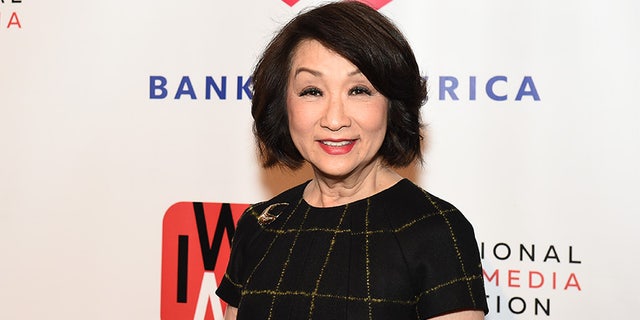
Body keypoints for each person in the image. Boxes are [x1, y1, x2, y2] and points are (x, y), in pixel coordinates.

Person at [216, 2, 488, 319]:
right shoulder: (259, 225)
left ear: (392, 105)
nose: (334, 119)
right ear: (283, 104)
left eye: (358, 90)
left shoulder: (436, 230)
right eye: (312, 91)